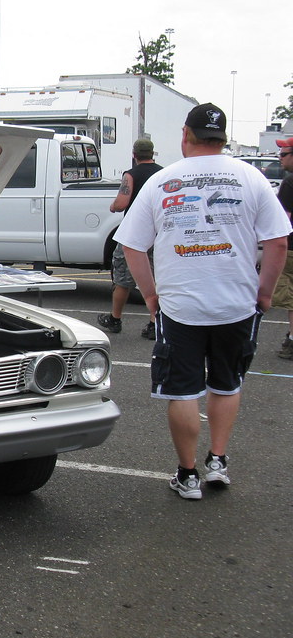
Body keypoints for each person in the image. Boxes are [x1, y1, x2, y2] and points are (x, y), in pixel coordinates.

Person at [115, 103, 291, 500]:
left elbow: (131, 244)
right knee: (227, 384)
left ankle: (188, 473)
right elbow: (278, 241)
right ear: (223, 138)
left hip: (180, 306)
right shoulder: (253, 177)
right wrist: (263, 294)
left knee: (182, 390)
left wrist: (150, 295)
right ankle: (218, 461)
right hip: (237, 304)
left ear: (185, 135)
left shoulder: (164, 180)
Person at [97, 139, 163, 339]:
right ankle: (154, 323)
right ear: (153, 153)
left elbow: (122, 202)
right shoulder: (163, 174)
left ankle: (115, 319)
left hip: (134, 234)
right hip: (158, 233)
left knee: (123, 279)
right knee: (154, 278)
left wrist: (113, 206)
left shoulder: (131, 175)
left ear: (134, 154)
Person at [273, 137, 293, 359]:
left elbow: (283, 221)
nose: (280, 158)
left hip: (292, 249)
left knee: (290, 297)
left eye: (284, 154)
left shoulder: (290, 183)